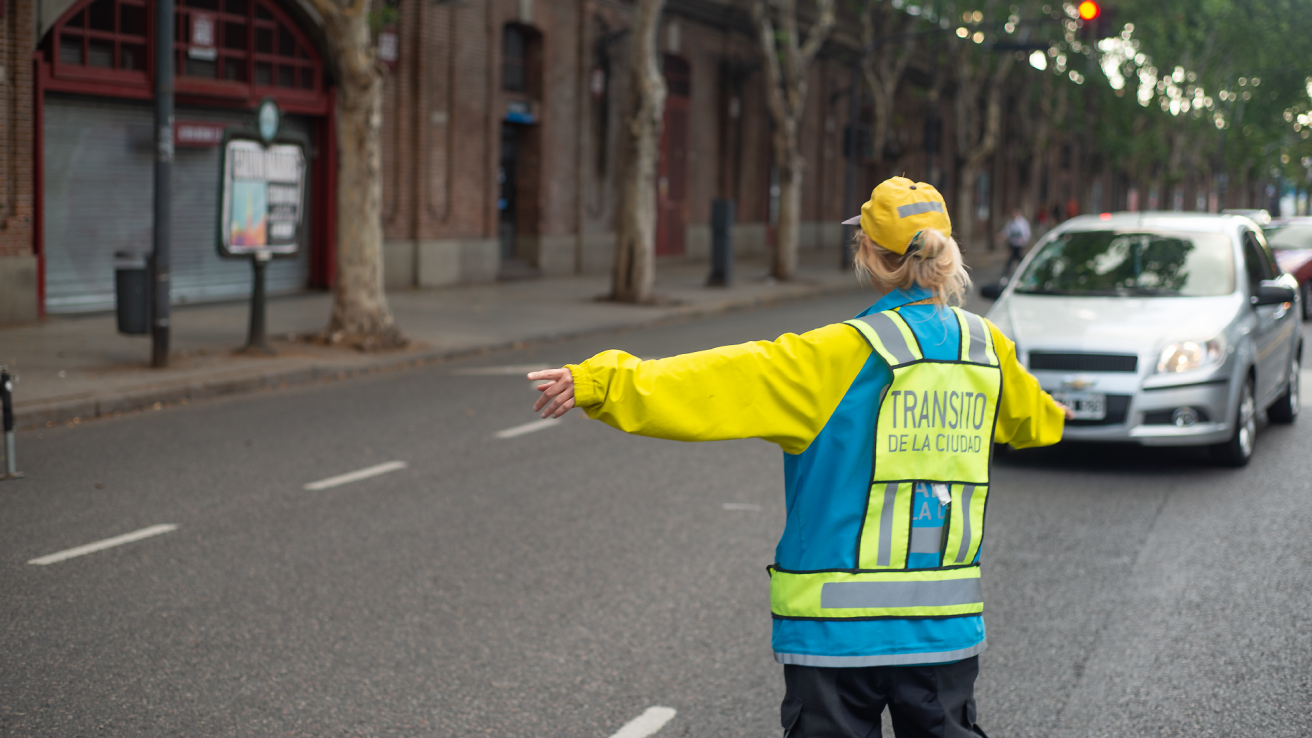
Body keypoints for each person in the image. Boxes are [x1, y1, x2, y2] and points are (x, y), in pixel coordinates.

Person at [528, 177, 1071, 738]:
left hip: (834, 635)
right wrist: (1058, 415)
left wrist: (598, 382)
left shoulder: (835, 355)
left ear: (867, 253)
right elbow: (1029, 418)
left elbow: (710, 382)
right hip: (942, 632)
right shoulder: (984, 349)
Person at [999, 207, 1031, 279]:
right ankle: (1007, 271)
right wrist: (1001, 236)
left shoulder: (1023, 223)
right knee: (1012, 258)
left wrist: (1024, 240)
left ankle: (1024, 270)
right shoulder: (1011, 223)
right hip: (1013, 243)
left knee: (1018, 258)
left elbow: (1026, 233)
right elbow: (1007, 231)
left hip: (1019, 244)